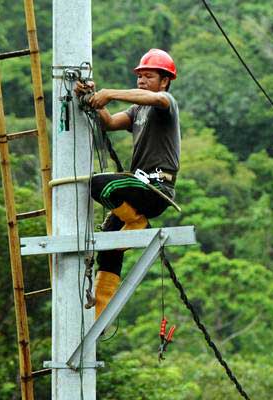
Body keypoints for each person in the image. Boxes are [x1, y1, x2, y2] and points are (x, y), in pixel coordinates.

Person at [75, 49, 181, 319]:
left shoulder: (165, 102)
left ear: (165, 81)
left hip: (157, 189)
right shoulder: (137, 110)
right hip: (138, 188)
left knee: (101, 185)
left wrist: (110, 92)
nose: (142, 81)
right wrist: (91, 99)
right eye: (140, 76)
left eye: (149, 76)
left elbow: (155, 99)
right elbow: (109, 123)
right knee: (110, 243)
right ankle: (98, 314)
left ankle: (136, 222)